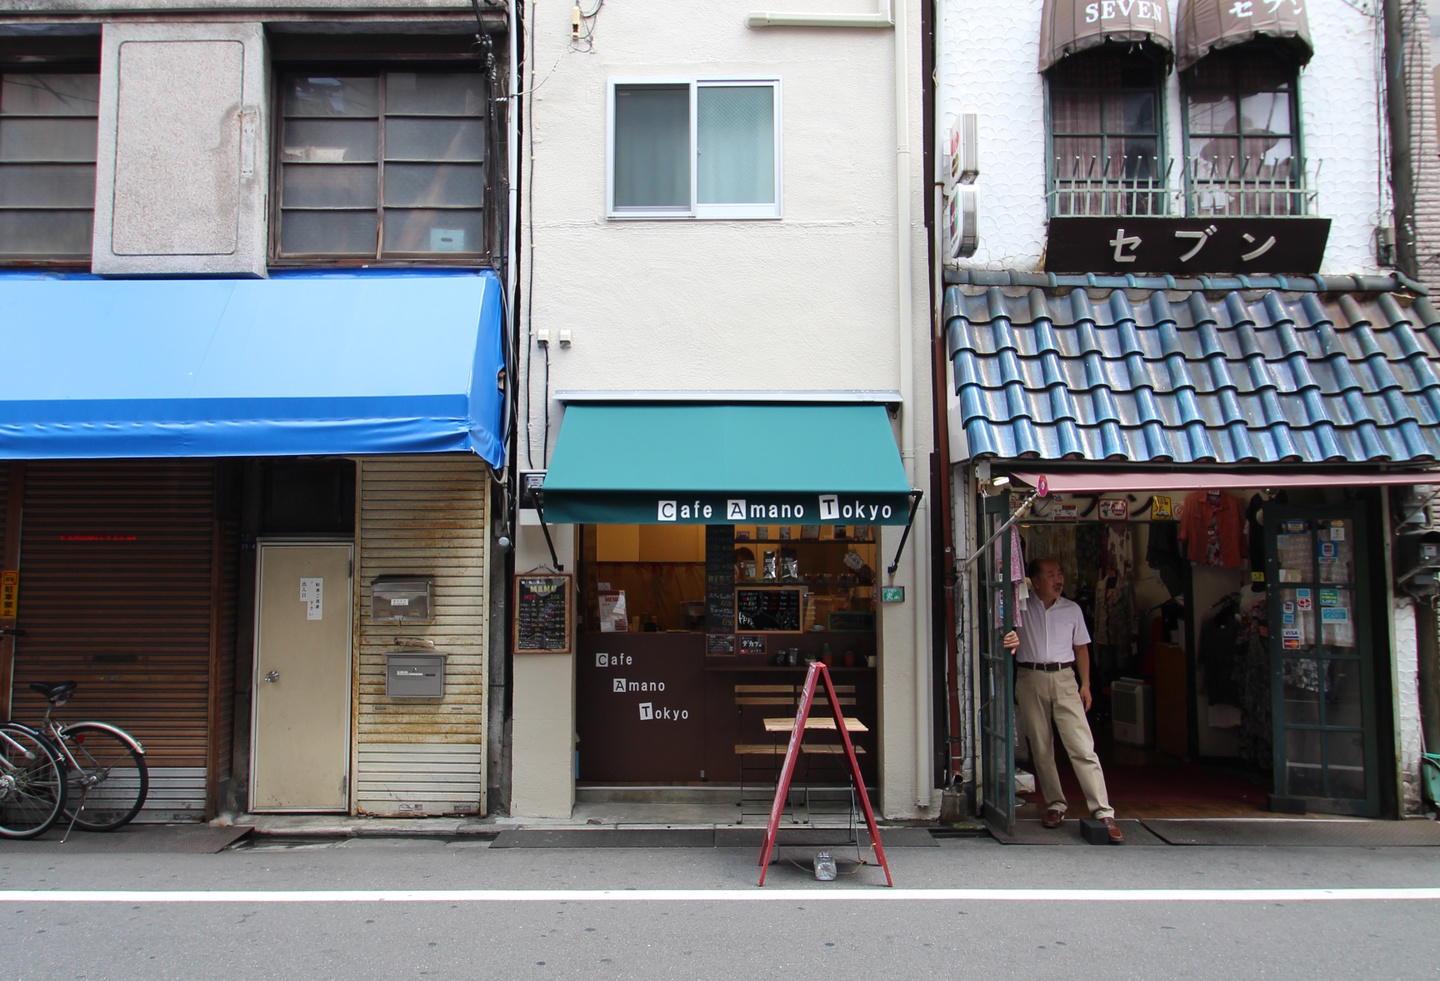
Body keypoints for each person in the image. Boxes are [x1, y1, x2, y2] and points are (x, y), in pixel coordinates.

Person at [1003, 556, 1123, 844]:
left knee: (1081, 745)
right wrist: (1010, 638)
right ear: (1035, 580)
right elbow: (1005, 635)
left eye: (1060, 574)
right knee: (1041, 747)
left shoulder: (1072, 609)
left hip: (1064, 677)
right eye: (1050, 574)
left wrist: (1086, 684)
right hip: (1030, 676)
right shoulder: (1021, 608)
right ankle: (1055, 805)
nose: (1058, 579)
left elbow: (1081, 648)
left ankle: (1103, 810)